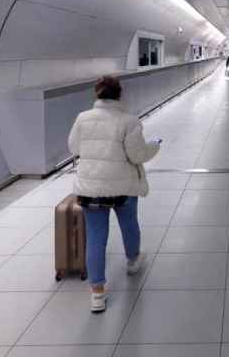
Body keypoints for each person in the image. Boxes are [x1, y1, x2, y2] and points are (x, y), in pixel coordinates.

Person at [68, 76, 160, 314]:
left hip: (90, 187)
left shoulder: (82, 118)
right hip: (122, 187)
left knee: (96, 236)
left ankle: (97, 293)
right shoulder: (129, 121)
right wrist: (155, 145)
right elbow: (137, 155)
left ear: (97, 94)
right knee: (128, 223)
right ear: (119, 94)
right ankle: (133, 260)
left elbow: (74, 148)